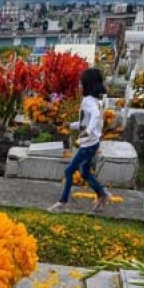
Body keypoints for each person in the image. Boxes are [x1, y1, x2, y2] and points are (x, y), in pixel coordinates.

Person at [48, 67, 111, 213]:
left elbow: (94, 116)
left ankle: (63, 202)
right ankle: (102, 194)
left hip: (88, 145)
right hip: (93, 143)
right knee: (84, 172)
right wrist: (71, 125)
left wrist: (88, 131)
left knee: (69, 171)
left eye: (81, 84)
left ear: (87, 85)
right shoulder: (95, 101)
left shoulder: (89, 102)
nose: (79, 86)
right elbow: (86, 121)